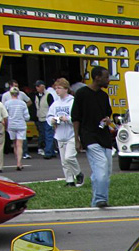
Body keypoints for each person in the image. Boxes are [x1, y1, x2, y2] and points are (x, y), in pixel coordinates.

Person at [72, 67, 115, 207]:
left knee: (105, 171)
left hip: (104, 136)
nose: (108, 80)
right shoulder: (81, 94)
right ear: (97, 77)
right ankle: (100, 199)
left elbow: (107, 114)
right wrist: (76, 139)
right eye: (106, 77)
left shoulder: (103, 96)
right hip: (89, 136)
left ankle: (98, 201)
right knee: (101, 165)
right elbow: (76, 118)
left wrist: (107, 120)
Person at [47, 79, 82, 186]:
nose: (57, 90)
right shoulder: (55, 104)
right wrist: (52, 120)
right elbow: (49, 117)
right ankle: (69, 181)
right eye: (56, 88)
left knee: (69, 157)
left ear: (66, 89)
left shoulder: (72, 102)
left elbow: (78, 117)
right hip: (60, 134)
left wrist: (67, 118)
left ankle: (78, 174)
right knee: (64, 161)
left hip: (71, 134)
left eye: (59, 88)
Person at [5, 87, 29, 170]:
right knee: (20, 145)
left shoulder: (7, 103)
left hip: (11, 125)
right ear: (18, 94)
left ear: (10, 94)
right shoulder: (22, 103)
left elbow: (5, 115)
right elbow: (27, 117)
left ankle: (17, 161)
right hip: (21, 125)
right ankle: (19, 163)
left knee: (15, 144)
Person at [33, 81, 56, 158]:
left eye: (38, 86)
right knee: (44, 135)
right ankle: (52, 151)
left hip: (47, 118)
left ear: (42, 87)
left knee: (48, 135)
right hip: (40, 118)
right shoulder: (36, 95)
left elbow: (52, 107)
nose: (37, 88)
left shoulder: (48, 95)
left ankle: (48, 152)